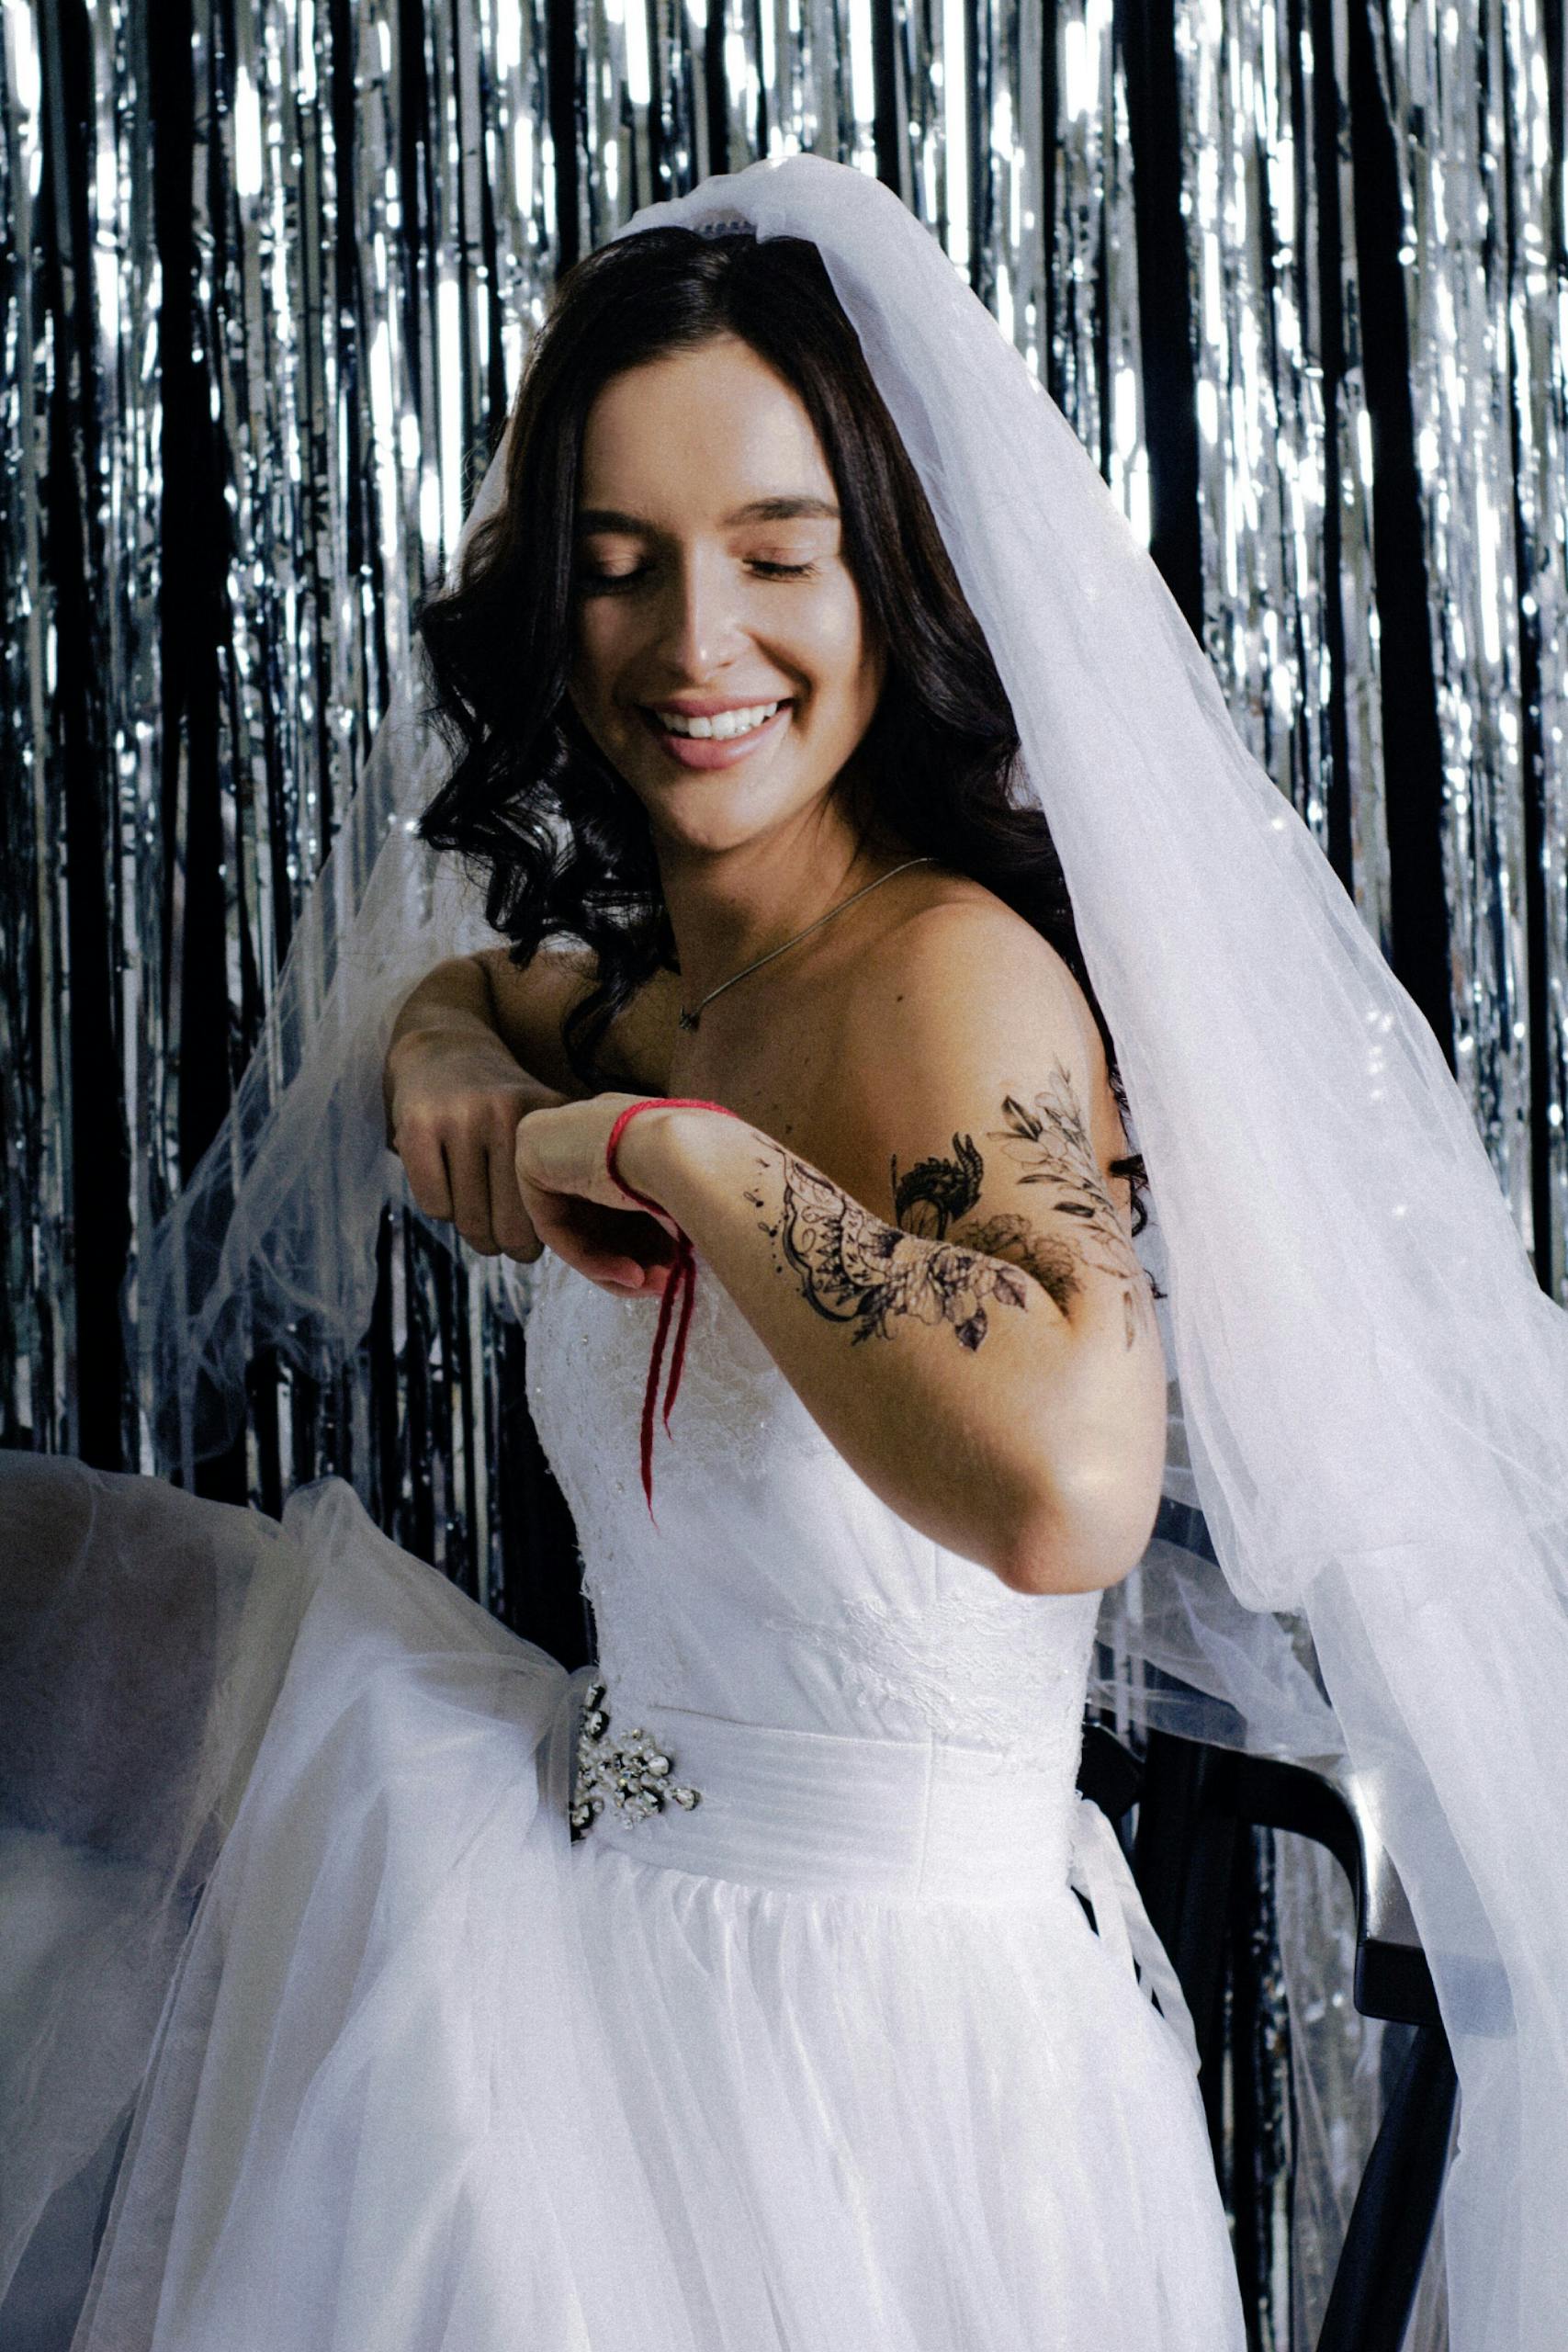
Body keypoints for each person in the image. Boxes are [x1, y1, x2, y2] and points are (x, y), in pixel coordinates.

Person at [6, 152, 1567, 2352]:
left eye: (773, 555)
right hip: (592, 1909)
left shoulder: (950, 986)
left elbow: (1064, 1487)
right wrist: (455, 1029)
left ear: (888, 580)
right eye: (619, 567)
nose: (692, 643)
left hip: (868, 2068)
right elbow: (488, 1007)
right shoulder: (689, 964)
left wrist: (667, 1151)